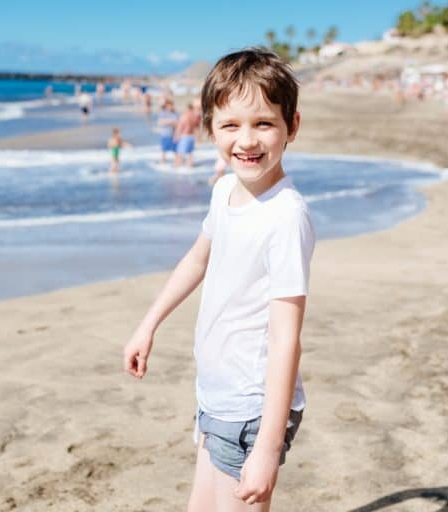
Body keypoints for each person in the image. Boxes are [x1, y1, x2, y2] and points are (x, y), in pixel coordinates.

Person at [123, 48, 314, 511]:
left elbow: (287, 339)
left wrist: (267, 450)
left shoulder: (286, 217)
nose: (246, 140)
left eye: (263, 123)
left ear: (292, 126)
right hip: (216, 393)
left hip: (252, 407)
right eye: (231, 125)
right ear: (209, 129)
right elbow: (196, 259)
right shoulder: (226, 189)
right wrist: (148, 325)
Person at [174, 103, 198, 167]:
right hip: (192, 137)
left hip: (185, 136)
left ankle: (177, 165)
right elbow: (196, 127)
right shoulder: (195, 117)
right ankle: (190, 165)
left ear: (187, 109)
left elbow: (180, 127)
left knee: (179, 152)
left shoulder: (184, 116)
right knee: (189, 153)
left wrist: (176, 136)